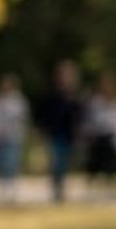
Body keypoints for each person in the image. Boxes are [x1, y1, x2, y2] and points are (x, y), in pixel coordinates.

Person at [34, 61, 85, 202]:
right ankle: (57, 190)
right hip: (54, 135)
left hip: (69, 136)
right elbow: (43, 116)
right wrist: (41, 131)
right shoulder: (51, 96)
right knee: (57, 162)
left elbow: (80, 118)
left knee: (64, 164)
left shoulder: (76, 97)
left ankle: (61, 188)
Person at [82, 74, 116, 195]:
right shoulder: (95, 103)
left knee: (111, 167)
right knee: (93, 166)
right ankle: (91, 189)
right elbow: (88, 122)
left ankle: (110, 189)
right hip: (97, 140)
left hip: (112, 141)